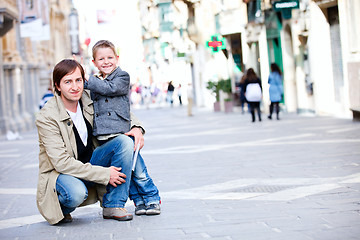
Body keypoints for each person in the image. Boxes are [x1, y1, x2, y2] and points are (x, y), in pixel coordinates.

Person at [85, 40, 161, 216]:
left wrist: (88, 80)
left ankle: (152, 197)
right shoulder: (96, 81)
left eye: (110, 57)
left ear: (117, 58)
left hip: (122, 132)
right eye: (101, 59)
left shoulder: (122, 77)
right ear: (94, 62)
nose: (106, 62)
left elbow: (110, 89)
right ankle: (139, 201)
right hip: (105, 137)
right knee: (127, 170)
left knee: (138, 170)